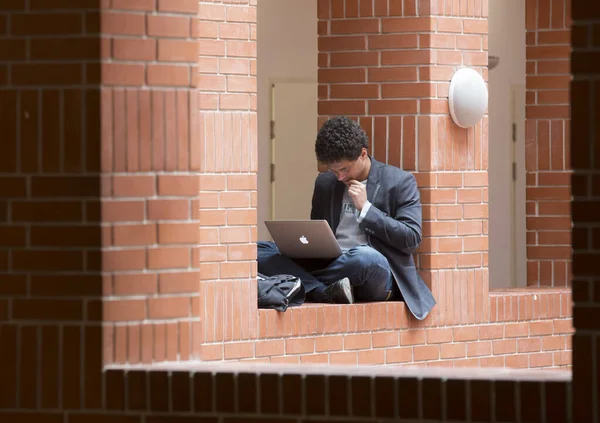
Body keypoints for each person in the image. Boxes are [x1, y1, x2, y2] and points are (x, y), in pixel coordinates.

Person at [258, 116, 436, 320]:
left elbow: (411, 238)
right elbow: (318, 234)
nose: (340, 177)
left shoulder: (399, 182)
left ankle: (300, 283)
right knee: (259, 250)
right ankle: (322, 291)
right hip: (332, 264)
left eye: (344, 169)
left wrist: (366, 209)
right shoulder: (325, 184)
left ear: (362, 154)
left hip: (373, 274)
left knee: (367, 257)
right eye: (334, 170)